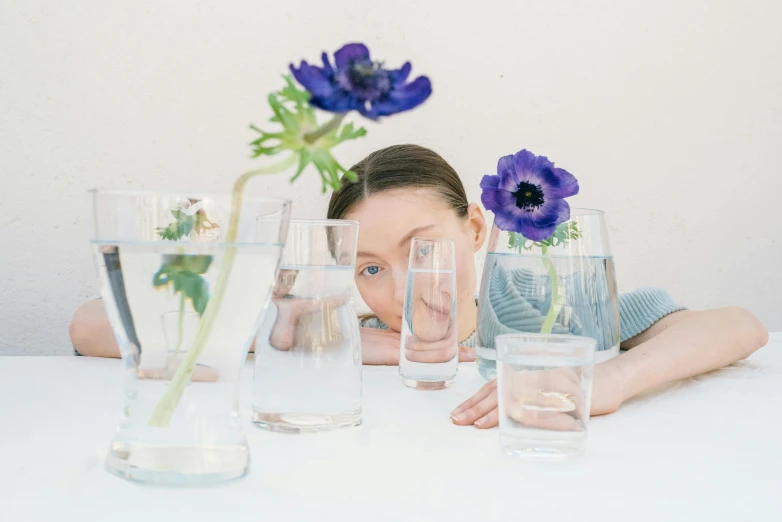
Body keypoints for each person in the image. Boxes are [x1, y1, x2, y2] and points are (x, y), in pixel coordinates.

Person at [70, 144, 769, 429]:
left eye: (423, 249)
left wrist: (609, 381)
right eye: (369, 267)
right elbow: (89, 329)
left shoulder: (534, 309)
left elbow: (739, 326)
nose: (401, 289)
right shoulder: (340, 326)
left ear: (473, 230)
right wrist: (350, 346)